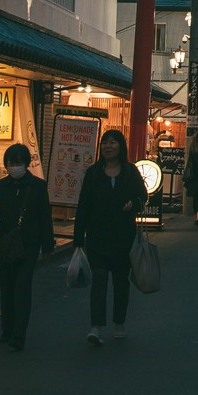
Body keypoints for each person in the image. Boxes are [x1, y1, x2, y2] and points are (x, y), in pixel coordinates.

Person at [0, 142, 55, 349]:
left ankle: (19, 334)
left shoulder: (37, 186)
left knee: (22, 286)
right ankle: (7, 329)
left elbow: (45, 217)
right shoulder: (1, 187)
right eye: (11, 163)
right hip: (5, 244)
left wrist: (47, 245)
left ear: (26, 164)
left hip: (29, 244)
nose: (14, 167)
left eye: (18, 163)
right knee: (7, 287)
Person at [73, 128, 145, 344]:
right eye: (105, 143)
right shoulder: (93, 174)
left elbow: (143, 196)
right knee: (100, 281)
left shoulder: (130, 172)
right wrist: (78, 240)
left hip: (124, 238)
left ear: (120, 147)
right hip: (98, 237)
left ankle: (119, 322)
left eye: (113, 142)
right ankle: (96, 326)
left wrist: (134, 204)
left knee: (121, 283)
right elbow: (83, 206)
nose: (108, 146)